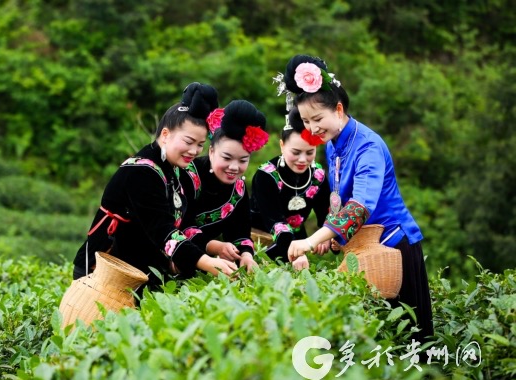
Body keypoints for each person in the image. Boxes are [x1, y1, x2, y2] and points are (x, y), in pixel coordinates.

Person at [284, 54, 434, 342]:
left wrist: (311, 239)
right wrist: (329, 235)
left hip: (392, 246)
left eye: (317, 119)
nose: (313, 128)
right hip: (363, 246)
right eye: (305, 121)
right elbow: (339, 197)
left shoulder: (368, 146)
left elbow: (360, 206)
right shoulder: (332, 143)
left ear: (338, 110)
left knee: (410, 340)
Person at [72, 82, 238, 289]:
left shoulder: (176, 170)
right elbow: (162, 231)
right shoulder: (141, 172)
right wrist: (207, 262)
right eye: (188, 141)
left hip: (142, 271)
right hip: (105, 271)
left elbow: (183, 225)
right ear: (166, 135)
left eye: (200, 145)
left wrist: (215, 248)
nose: (194, 151)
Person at [181, 100, 270, 272]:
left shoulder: (238, 189)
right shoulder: (187, 175)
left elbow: (241, 232)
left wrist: (246, 255)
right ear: (211, 151)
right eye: (227, 158)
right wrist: (215, 247)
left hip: (206, 265)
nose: (234, 167)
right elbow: (177, 226)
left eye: (243, 160)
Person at [250, 106, 331, 270]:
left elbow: (326, 214)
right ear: (282, 145)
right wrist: (297, 253)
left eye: (309, 152)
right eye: (296, 152)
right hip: (259, 243)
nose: (302, 160)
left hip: (298, 244)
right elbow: (276, 222)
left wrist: (325, 236)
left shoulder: (318, 175)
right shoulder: (265, 175)